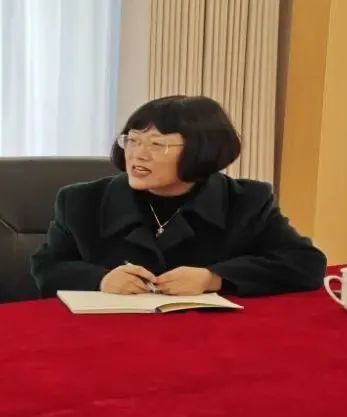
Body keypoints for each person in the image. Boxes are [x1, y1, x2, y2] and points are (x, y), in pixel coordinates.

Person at [31, 95, 326, 298]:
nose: (137, 154)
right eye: (132, 140)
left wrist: (214, 278)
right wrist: (100, 280)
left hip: (209, 341)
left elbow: (305, 264)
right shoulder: (82, 201)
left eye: (156, 144)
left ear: (201, 151)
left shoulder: (246, 201)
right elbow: (47, 269)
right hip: (105, 337)